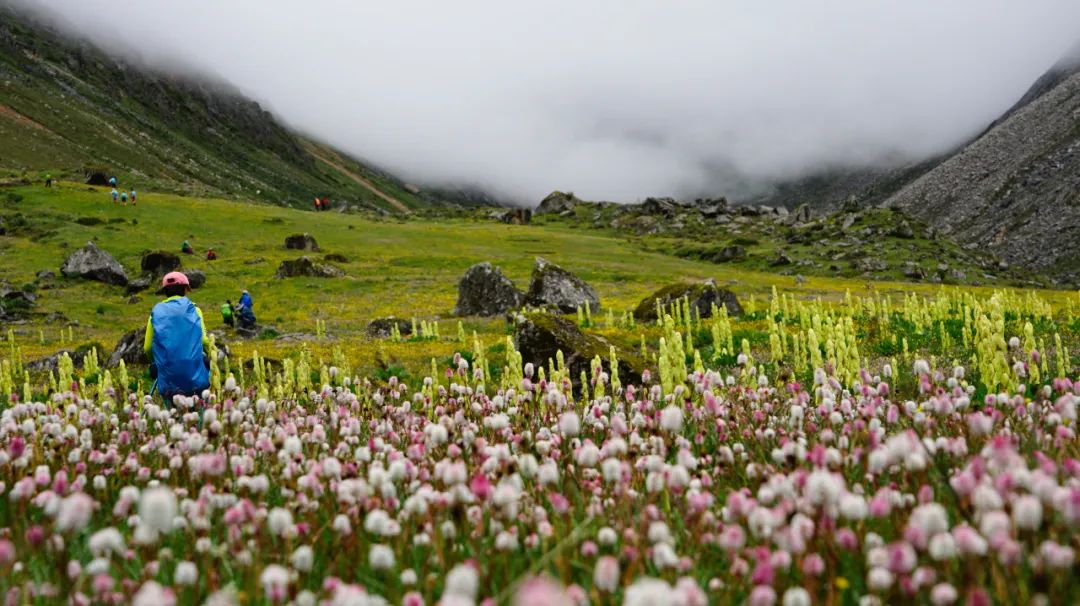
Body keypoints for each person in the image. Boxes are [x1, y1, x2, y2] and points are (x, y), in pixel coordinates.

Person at [143, 272, 210, 400]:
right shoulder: (194, 309)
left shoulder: (155, 313)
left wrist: (155, 363)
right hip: (196, 380)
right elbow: (204, 341)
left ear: (165, 291)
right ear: (185, 289)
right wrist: (213, 355)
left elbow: (147, 347)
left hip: (168, 382)